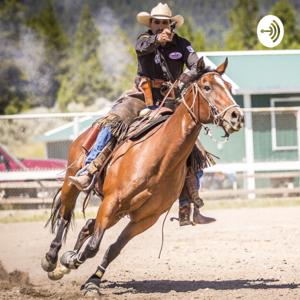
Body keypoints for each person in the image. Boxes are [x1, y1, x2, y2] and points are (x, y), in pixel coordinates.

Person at [69, 2, 215, 225]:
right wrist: (158, 40)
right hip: (141, 96)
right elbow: (143, 47)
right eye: (156, 22)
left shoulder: (183, 45)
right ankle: (89, 169)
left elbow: (199, 66)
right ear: (151, 24)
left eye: (164, 23)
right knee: (114, 121)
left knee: (194, 151)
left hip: (171, 100)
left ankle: (188, 206)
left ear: (172, 24)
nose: (160, 26)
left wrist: (185, 78)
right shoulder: (144, 40)